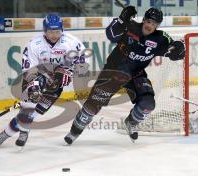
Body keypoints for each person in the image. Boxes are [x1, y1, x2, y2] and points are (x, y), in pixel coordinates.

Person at [64, 6, 185, 144]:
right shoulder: (130, 26)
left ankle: (131, 122)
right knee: (93, 104)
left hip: (136, 74)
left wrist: (179, 48)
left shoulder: (161, 38)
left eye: (154, 24)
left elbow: (176, 50)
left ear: (157, 25)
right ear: (144, 19)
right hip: (114, 70)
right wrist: (122, 19)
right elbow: (111, 34)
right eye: (148, 21)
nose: (150, 26)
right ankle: (74, 132)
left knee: (148, 104)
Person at [0, 13, 86, 148]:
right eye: (50, 31)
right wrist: (34, 87)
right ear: (44, 30)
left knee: (35, 113)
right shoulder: (35, 44)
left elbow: (82, 63)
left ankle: (17, 129)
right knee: (29, 103)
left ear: (62, 30)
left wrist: (68, 72)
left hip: (56, 84)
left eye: (57, 31)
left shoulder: (71, 42)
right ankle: (8, 134)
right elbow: (29, 70)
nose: (54, 35)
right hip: (38, 75)